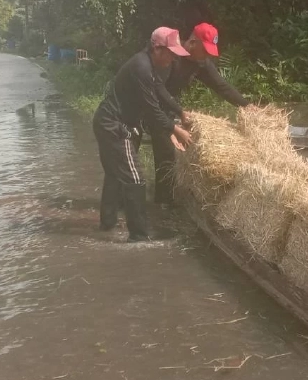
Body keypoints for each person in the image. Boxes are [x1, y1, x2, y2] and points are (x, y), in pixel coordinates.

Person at [93, 27, 194, 242]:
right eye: (171, 53)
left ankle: (107, 224)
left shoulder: (149, 65)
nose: (174, 58)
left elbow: (159, 92)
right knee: (135, 179)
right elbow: (152, 109)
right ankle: (139, 237)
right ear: (157, 48)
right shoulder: (141, 68)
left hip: (107, 122)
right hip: (115, 126)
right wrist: (176, 130)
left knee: (115, 175)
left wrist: (179, 111)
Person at [149, 22, 250, 205]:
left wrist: (248, 107)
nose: (207, 56)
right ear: (193, 42)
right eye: (205, 50)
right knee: (165, 154)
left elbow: (222, 86)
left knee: (180, 150)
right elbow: (155, 91)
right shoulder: (171, 55)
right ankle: (162, 210)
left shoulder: (200, 62)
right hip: (150, 105)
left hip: (169, 106)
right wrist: (171, 127)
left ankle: (171, 198)